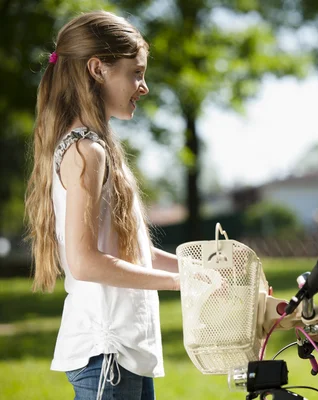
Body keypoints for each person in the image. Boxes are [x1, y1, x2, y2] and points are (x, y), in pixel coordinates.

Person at [24, 11, 180, 400]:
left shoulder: (100, 147)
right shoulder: (85, 150)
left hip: (125, 356)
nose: (143, 87)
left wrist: (206, 272)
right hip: (105, 355)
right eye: (136, 73)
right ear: (98, 69)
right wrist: (182, 282)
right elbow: (85, 262)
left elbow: (135, 254)